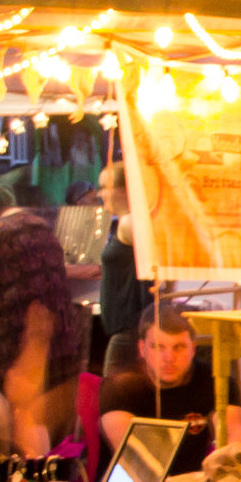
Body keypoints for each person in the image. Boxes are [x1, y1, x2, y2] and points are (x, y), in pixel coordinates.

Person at [0, 209, 84, 457]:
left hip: (15, 341)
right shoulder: (43, 227)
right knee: (44, 423)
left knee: (19, 417)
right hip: (58, 338)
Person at [96, 303, 241, 479]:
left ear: (193, 349)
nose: (169, 358)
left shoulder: (216, 381)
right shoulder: (119, 387)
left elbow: (235, 445)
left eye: (179, 347)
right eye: (158, 347)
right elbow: (137, 464)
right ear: (142, 348)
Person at [95, 161, 145, 377]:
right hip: (127, 329)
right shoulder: (126, 223)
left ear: (123, 190)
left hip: (129, 331)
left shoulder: (130, 223)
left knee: (114, 399)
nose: (100, 193)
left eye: (104, 187)